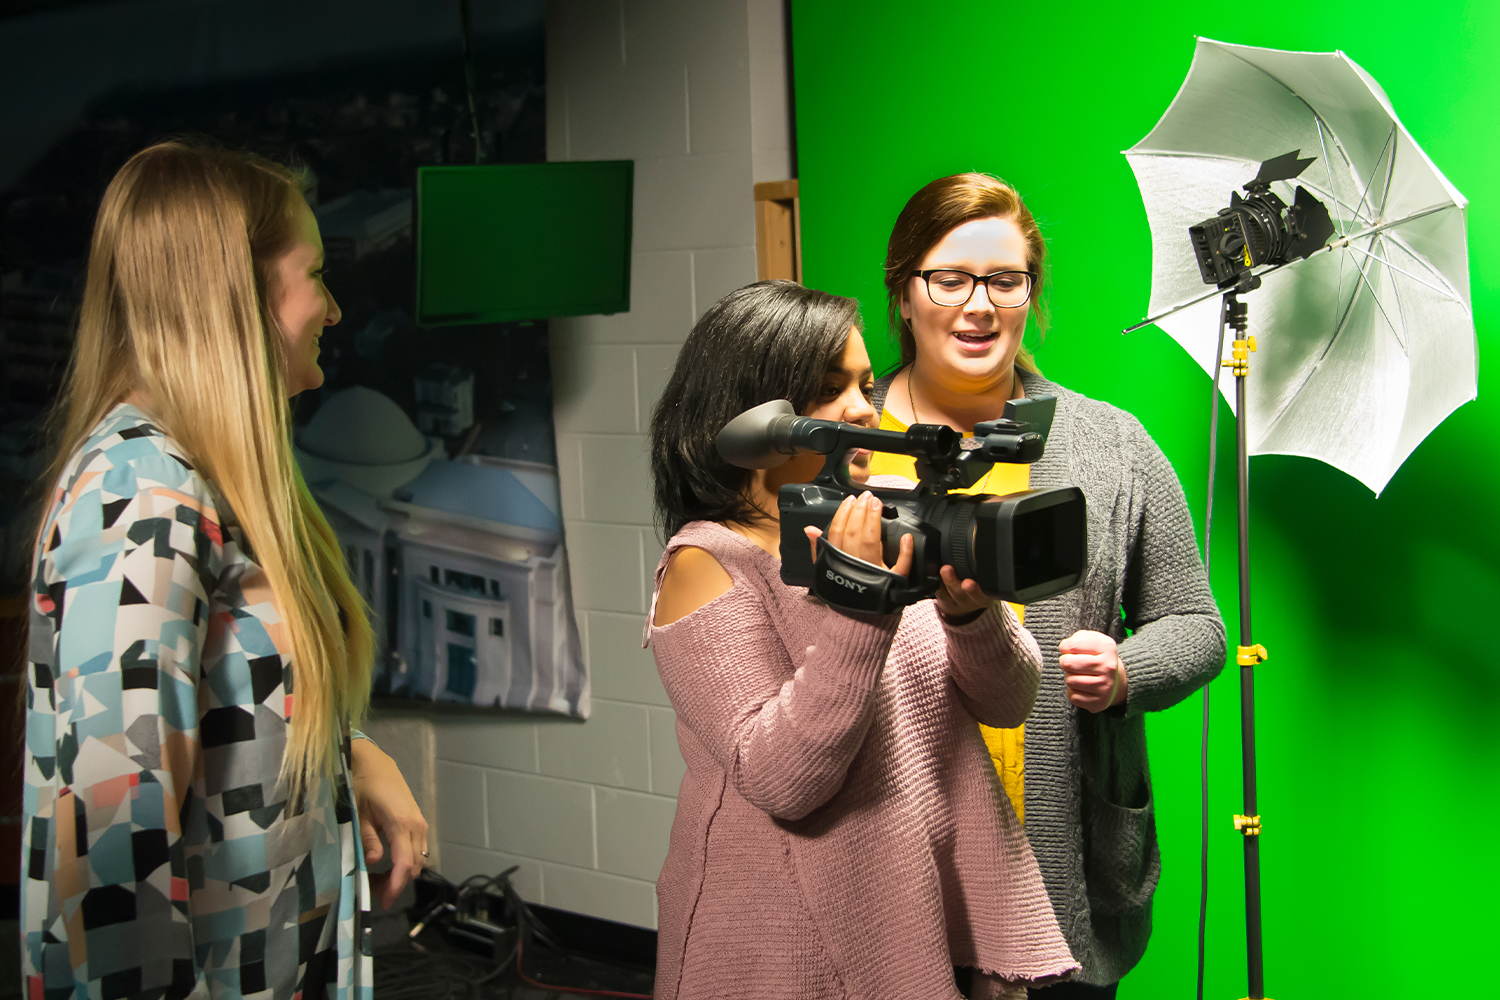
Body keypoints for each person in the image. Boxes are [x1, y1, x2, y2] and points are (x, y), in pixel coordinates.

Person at [20, 140, 428, 1000]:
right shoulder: (140, 494)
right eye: (315, 274)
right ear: (237, 297)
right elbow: (114, 864)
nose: (335, 309)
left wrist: (352, 758)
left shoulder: (200, 480)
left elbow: (225, 703)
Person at [646, 280, 1079, 1000]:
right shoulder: (706, 564)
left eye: (864, 384)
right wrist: (862, 606)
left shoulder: (880, 513)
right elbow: (783, 780)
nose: (860, 408)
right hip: (787, 939)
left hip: (916, 893)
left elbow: (1007, 702)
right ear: (751, 416)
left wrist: (972, 618)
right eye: (826, 389)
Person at [870, 173, 1227, 998]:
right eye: (949, 278)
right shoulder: (847, 444)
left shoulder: (1110, 444)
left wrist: (1127, 670)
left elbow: (1197, 624)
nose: (979, 305)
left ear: (1032, 292)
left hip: (1058, 845)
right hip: (897, 837)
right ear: (904, 291)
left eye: (1005, 279)